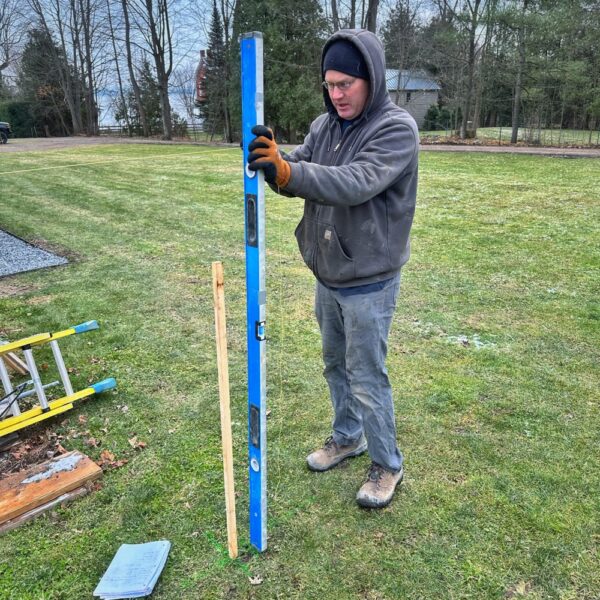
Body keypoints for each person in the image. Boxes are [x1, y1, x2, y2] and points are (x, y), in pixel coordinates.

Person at [247, 29, 418, 509]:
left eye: (346, 84)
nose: (337, 94)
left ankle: (387, 465)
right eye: (330, 85)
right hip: (330, 271)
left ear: (371, 78)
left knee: (366, 374)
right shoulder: (325, 127)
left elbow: (355, 181)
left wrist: (289, 172)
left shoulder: (395, 128)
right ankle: (348, 437)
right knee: (334, 364)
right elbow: (298, 162)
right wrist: (274, 160)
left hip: (369, 279)